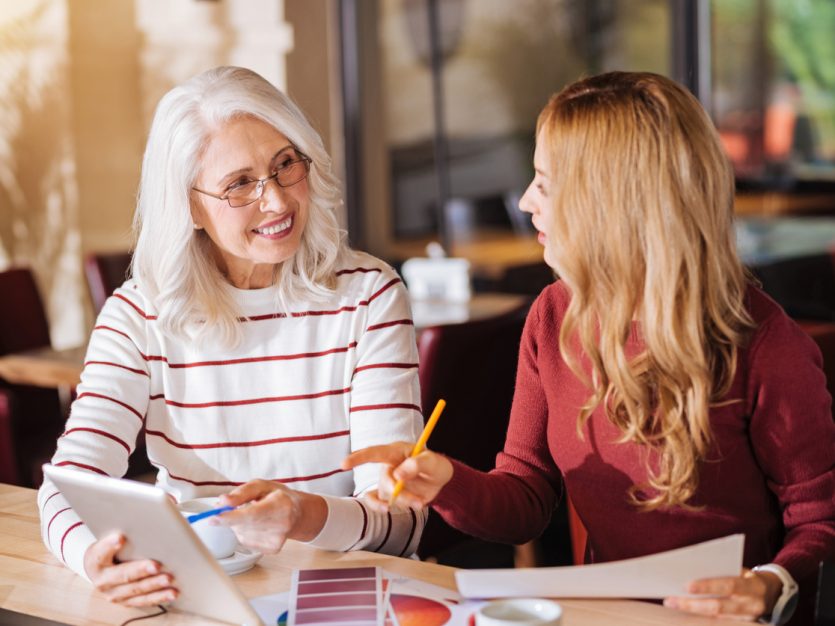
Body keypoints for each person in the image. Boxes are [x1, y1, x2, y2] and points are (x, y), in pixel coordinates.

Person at [345, 72, 835, 625]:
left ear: (612, 205)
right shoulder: (552, 317)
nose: (527, 201)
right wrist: (445, 481)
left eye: (545, 184)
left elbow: (821, 520)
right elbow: (524, 503)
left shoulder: (763, 343)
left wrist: (769, 585)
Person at [38, 66, 425, 607]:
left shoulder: (368, 297)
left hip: (344, 599)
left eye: (285, 165)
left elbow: (402, 522)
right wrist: (92, 557)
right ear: (190, 206)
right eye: (240, 184)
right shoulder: (136, 318)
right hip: (195, 599)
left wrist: (303, 516)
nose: (277, 202)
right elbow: (68, 483)